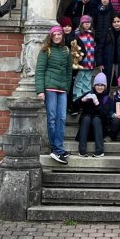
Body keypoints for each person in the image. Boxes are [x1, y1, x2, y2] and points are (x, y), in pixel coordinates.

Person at [35, 25, 72, 164]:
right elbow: (40, 71)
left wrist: (67, 87)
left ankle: (59, 148)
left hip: (62, 89)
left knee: (61, 118)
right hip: (50, 88)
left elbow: (69, 71)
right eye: (54, 35)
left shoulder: (66, 50)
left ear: (62, 36)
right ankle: (56, 150)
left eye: (59, 34)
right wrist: (40, 90)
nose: (57, 37)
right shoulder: (46, 50)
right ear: (51, 37)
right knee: (52, 118)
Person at [76, 72, 108, 157]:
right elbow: (74, 107)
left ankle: (100, 151)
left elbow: (105, 116)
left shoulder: (106, 98)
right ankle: (82, 150)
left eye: (102, 85)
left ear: (105, 86)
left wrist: (97, 104)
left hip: (99, 130)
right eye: (97, 85)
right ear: (94, 85)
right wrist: (82, 100)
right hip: (85, 129)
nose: (99, 87)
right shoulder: (89, 94)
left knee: (96, 119)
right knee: (86, 118)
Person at [72, 14, 97, 104]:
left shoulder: (92, 34)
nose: (87, 24)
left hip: (90, 62)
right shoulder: (77, 33)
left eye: (88, 22)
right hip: (81, 62)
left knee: (87, 81)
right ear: (81, 23)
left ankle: (86, 98)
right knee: (79, 81)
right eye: (85, 22)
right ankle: (77, 98)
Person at [100, 14, 120, 81]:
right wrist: (100, 62)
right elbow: (100, 48)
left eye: (118, 21)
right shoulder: (106, 33)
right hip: (108, 63)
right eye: (114, 22)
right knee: (107, 82)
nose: (116, 23)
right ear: (111, 23)